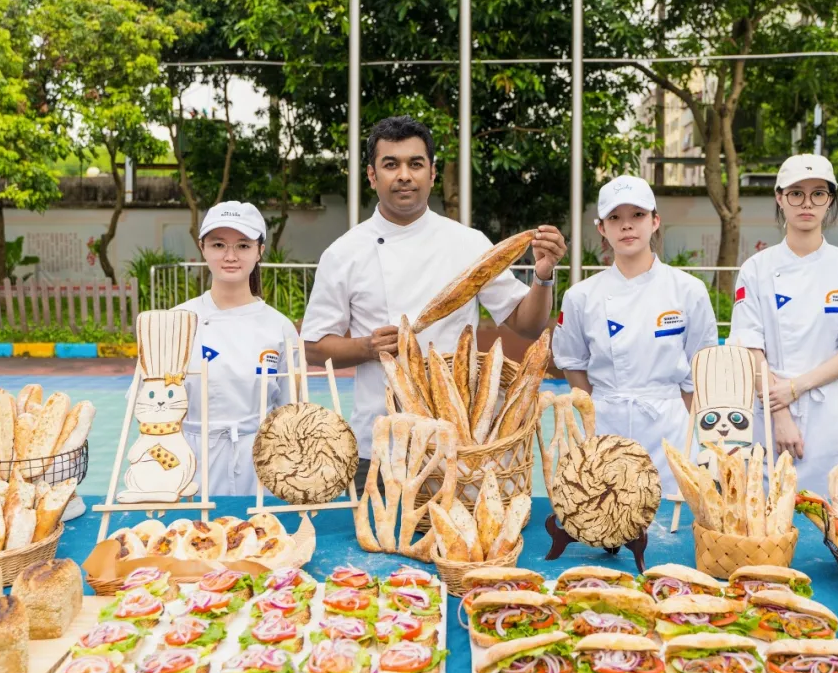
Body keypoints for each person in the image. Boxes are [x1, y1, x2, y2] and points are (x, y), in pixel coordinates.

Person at [301, 116, 566, 486]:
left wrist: (543, 275)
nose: (404, 175)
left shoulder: (468, 243)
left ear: (432, 173)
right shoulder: (343, 253)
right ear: (372, 176)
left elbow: (528, 324)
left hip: (460, 444)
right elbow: (314, 348)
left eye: (415, 163)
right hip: (379, 444)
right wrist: (366, 347)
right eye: (390, 164)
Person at [552, 175, 718, 495]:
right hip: (605, 428)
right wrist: (599, 409)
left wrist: (699, 437)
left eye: (637, 215)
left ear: (655, 221)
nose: (627, 226)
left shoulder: (688, 291)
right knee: (607, 520)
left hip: (670, 428)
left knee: (673, 521)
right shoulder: (581, 297)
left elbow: (699, 368)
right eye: (615, 218)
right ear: (602, 228)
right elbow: (572, 362)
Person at [727, 154, 838, 494]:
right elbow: (748, 347)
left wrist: (796, 387)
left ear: (830, 201)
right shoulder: (755, 269)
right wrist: (780, 412)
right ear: (780, 199)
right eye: (796, 193)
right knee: (764, 522)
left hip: (830, 413)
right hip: (766, 411)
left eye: (818, 193)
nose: (806, 203)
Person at [175, 201, 300, 495]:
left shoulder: (280, 328)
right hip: (189, 466)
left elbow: (292, 413)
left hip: (261, 465)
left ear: (260, 250)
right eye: (219, 244)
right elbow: (151, 411)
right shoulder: (176, 322)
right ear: (202, 247)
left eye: (243, 246)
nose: (230, 256)